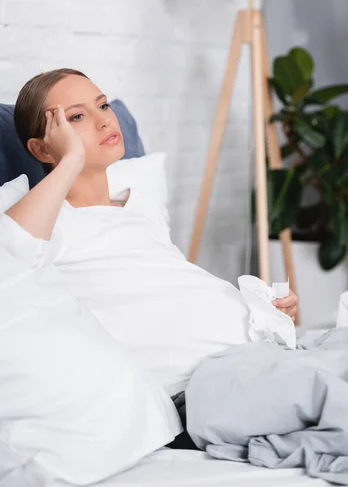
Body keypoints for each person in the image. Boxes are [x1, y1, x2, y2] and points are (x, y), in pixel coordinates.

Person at [4, 68, 298, 401]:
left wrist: (263, 313)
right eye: (77, 117)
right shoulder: (53, 225)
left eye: (102, 106)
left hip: (260, 355)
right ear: (42, 149)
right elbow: (11, 251)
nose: (104, 121)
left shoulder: (141, 206)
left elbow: (171, 288)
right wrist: (70, 158)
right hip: (207, 387)